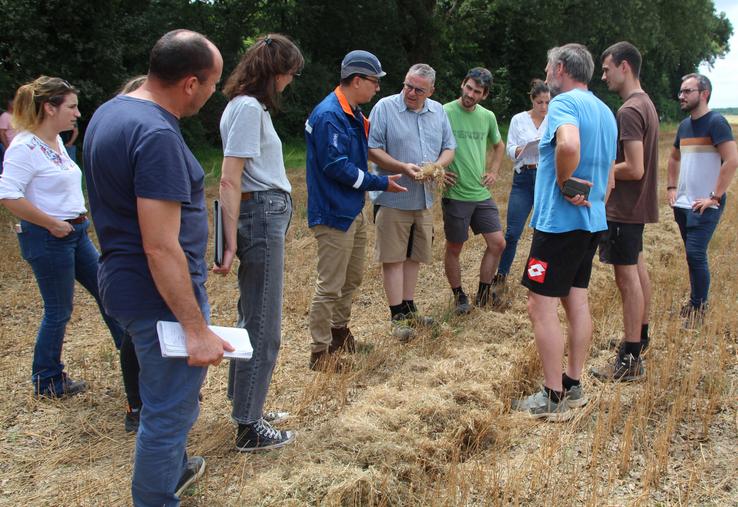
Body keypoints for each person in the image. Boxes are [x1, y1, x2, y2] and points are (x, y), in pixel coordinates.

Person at [84, 30, 230, 505]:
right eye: (212, 84)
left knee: (165, 400)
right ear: (190, 83)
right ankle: (156, 496)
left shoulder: (113, 112)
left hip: (122, 282)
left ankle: (175, 470)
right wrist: (195, 329)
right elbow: (161, 246)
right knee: (167, 412)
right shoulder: (156, 135)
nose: (212, 94)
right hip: (158, 295)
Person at [0, 77, 141, 422]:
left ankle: (137, 365)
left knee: (110, 296)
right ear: (49, 108)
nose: (78, 113)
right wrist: (51, 223)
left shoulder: (56, 142)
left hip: (75, 233)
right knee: (59, 310)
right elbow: (8, 195)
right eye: (71, 107)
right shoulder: (25, 146)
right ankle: (47, 379)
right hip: (48, 238)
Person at [511, 43, 617, 421]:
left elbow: (568, 143)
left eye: (546, 66)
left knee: (539, 305)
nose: (545, 72)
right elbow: (609, 172)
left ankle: (552, 396)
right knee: (577, 302)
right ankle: (573, 386)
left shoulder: (563, 104)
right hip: (591, 224)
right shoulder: (605, 110)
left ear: (559, 69)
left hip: (558, 226)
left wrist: (564, 180)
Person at [214, 33, 302, 452]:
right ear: (275, 73)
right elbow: (230, 177)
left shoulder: (243, 107)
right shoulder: (248, 109)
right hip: (260, 215)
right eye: (289, 74)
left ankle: (245, 404)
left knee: (251, 313)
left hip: (263, 212)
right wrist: (228, 240)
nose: (289, 82)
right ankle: (249, 426)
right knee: (263, 324)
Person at [305, 50, 406, 370]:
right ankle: (319, 352)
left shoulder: (352, 113)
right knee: (330, 283)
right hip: (333, 211)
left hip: (351, 208)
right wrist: (380, 183)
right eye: (375, 82)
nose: (377, 89)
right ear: (357, 80)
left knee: (351, 278)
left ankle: (339, 332)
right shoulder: (329, 116)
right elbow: (337, 167)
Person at [368, 63, 456, 340]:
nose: (411, 92)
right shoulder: (384, 107)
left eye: (419, 89)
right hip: (393, 195)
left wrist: (437, 167)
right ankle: (397, 316)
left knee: (414, 255)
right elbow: (371, 148)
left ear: (431, 91)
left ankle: (409, 307)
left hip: (424, 198)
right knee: (393, 256)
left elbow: (448, 147)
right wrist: (402, 167)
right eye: (408, 85)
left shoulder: (438, 111)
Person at [590, 41, 659, 382]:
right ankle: (639, 336)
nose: (603, 76)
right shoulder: (646, 104)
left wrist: (603, 169)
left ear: (625, 67)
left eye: (606, 69)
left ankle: (630, 358)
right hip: (637, 208)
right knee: (637, 270)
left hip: (624, 208)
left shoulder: (629, 111)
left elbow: (634, 168)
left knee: (626, 278)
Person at [666, 73, 738, 324]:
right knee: (691, 254)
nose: (681, 96)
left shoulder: (716, 122)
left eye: (687, 91)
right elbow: (674, 157)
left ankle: (699, 308)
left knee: (696, 254)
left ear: (704, 93)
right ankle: (695, 302)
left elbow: (732, 159)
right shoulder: (685, 126)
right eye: (681, 92)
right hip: (683, 203)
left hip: (705, 203)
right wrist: (671, 187)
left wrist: (714, 197)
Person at [441, 67, 506, 314]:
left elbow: (499, 146)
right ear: (462, 84)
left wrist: (494, 171)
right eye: (468, 88)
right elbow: (428, 141)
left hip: (480, 193)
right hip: (455, 194)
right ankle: (459, 296)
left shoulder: (487, 116)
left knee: (497, 243)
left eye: (476, 91)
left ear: (484, 95)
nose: (470, 94)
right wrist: (438, 171)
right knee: (455, 248)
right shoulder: (443, 112)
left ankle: (483, 293)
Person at [496, 80, 550, 287]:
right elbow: (510, 148)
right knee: (513, 232)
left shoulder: (553, 119)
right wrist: (521, 150)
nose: (544, 107)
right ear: (532, 100)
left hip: (545, 179)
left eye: (547, 102)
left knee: (542, 233)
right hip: (524, 177)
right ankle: (501, 276)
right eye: (539, 102)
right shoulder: (518, 120)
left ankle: (536, 278)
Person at [0, 98, 17, 165]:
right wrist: (7, 146)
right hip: (10, 146)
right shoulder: (5, 116)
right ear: (10, 105)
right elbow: (2, 133)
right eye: (15, 103)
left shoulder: (17, 116)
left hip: (17, 146)